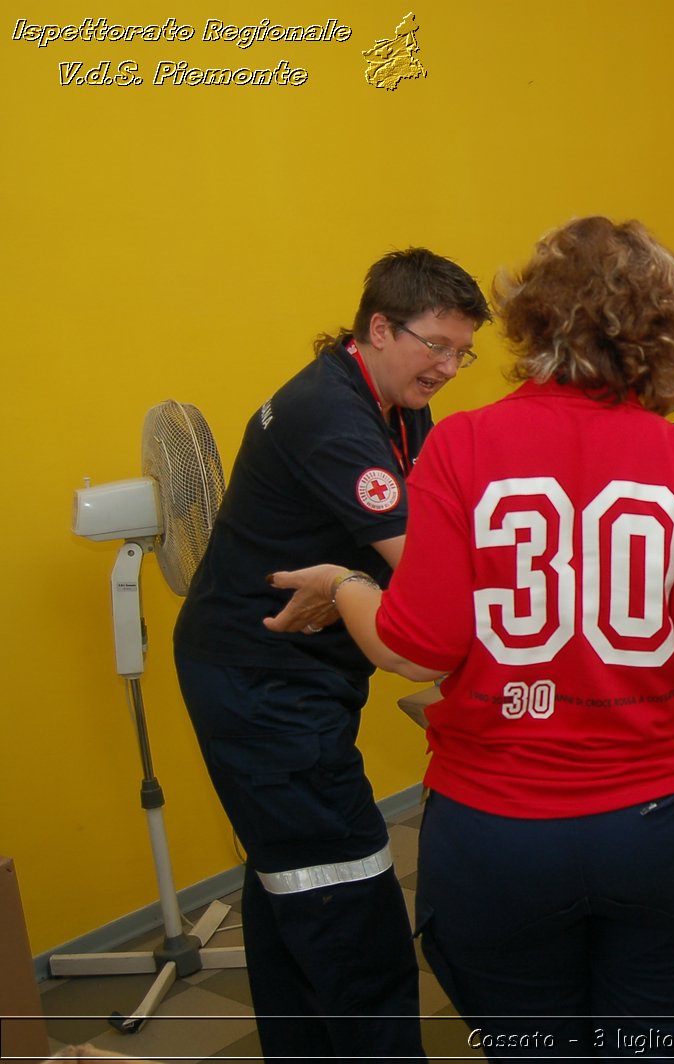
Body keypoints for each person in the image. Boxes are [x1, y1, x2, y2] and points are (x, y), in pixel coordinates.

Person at [263, 216, 674, 1058]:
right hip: (667, 829)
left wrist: (347, 585)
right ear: (665, 334)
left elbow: (416, 649)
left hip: (498, 837)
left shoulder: (460, 443)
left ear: (530, 320)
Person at [173, 248, 492, 1062]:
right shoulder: (331, 416)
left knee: (289, 888)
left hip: (287, 675)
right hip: (265, 686)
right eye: (437, 346)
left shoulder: (385, 396)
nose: (451, 368)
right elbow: (425, 574)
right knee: (348, 905)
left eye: (464, 351)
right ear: (379, 327)